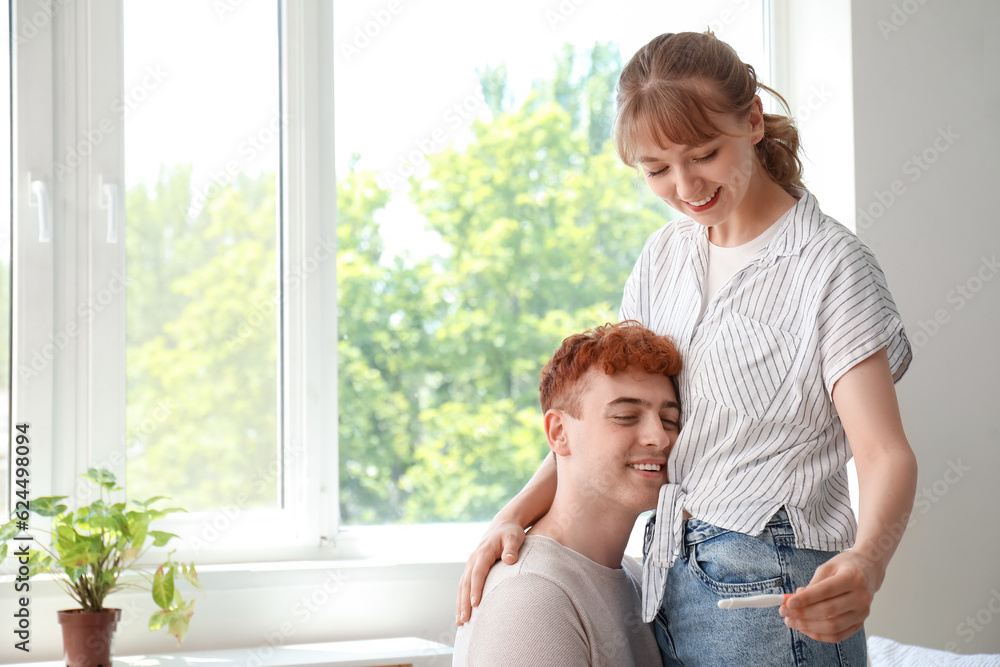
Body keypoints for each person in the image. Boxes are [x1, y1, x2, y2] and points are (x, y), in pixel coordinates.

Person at [456, 31, 917, 666]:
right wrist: (512, 515)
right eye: (656, 170)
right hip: (668, 578)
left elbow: (885, 451)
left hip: (771, 586)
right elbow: (599, 415)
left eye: (704, 154)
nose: (685, 185)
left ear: (752, 121)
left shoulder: (831, 267)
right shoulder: (664, 256)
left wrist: (869, 561)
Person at [452, 321, 682, 666]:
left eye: (669, 420)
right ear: (559, 433)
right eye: (626, 416)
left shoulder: (634, 576)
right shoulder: (530, 595)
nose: (659, 438)